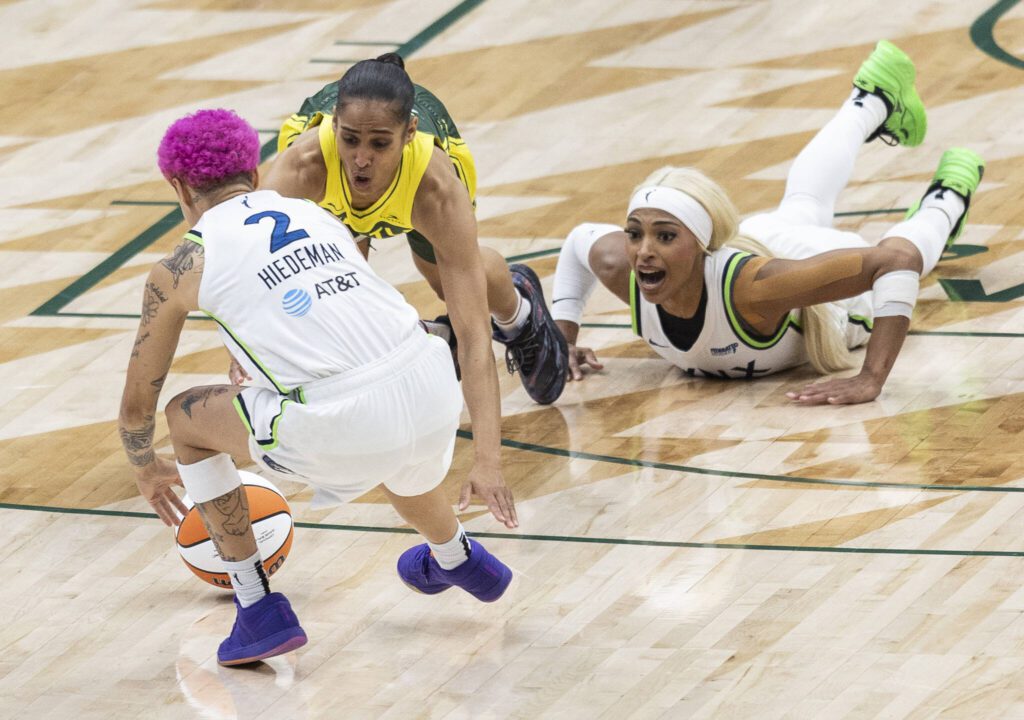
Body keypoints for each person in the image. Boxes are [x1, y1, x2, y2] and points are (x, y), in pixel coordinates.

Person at [118, 109, 515, 667]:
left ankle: (258, 609)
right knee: (388, 438)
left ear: (178, 187)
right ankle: (455, 555)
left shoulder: (182, 265)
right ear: (254, 174)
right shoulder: (311, 210)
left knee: (185, 416)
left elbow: (137, 404)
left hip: (346, 421)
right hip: (431, 384)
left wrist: (145, 466)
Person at [551, 40, 984, 405]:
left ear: (703, 244)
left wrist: (871, 378)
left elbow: (897, 261)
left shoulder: (754, 290)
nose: (643, 250)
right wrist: (562, 341)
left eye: (664, 236)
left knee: (907, 253)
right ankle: (872, 99)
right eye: (634, 233)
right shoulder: (620, 266)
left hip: (804, 277)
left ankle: (948, 196)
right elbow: (575, 242)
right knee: (802, 202)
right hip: (762, 238)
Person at [261, 52, 568, 410]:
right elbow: (251, 265)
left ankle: (519, 309)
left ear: (408, 133)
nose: (361, 158)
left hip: (414, 183)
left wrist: (489, 463)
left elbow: (475, 340)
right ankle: (432, 339)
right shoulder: (303, 166)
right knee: (340, 289)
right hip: (335, 189)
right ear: (333, 128)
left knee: (445, 280)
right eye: (350, 141)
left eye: (378, 144)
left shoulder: (435, 182)